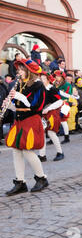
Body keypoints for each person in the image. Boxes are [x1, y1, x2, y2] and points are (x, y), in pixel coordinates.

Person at [3, 59, 49, 196]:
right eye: (19, 69)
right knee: (16, 150)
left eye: (22, 70)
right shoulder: (20, 84)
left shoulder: (38, 85)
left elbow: (36, 106)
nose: (19, 72)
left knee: (28, 151)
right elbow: (18, 106)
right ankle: (20, 182)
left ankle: (41, 178)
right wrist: (9, 104)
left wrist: (20, 96)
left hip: (31, 119)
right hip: (19, 120)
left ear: (29, 71)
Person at [37, 72, 64, 162]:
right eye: (41, 79)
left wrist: (48, 108)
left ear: (48, 79)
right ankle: (42, 155)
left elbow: (60, 102)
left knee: (51, 133)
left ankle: (60, 152)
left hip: (52, 113)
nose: (42, 80)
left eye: (43, 79)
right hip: (43, 113)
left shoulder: (52, 89)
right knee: (42, 133)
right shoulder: (40, 89)